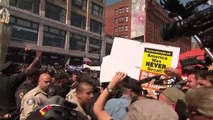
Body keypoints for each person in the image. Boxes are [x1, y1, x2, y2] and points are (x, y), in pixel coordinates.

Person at [0, 51, 42, 119]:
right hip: (9, 115)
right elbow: (26, 71)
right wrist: (37, 58)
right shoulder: (9, 81)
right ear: (9, 70)